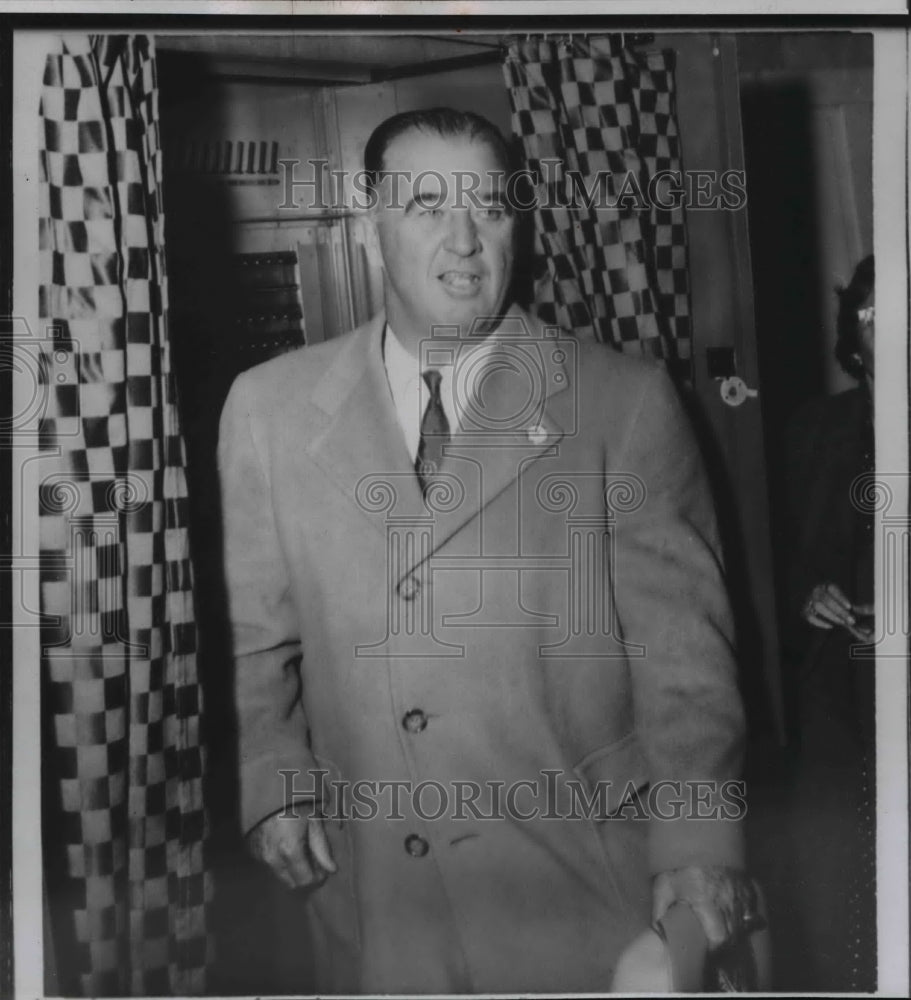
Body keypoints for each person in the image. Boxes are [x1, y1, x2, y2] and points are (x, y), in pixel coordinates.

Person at [217, 107, 755, 994]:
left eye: (492, 208)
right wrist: (273, 781)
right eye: (428, 205)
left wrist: (699, 848)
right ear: (368, 219)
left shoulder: (621, 402)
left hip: (578, 883)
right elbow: (249, 639)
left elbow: (686, 666)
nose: (465, 241)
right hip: (375, 896)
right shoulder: (268, 409)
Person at [781, 254, 876, 991]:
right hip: (838, 682)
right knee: (833, 856)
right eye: (872, 315)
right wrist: (808, 596)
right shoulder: (813, 432)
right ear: (853, 335)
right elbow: (780, 558)